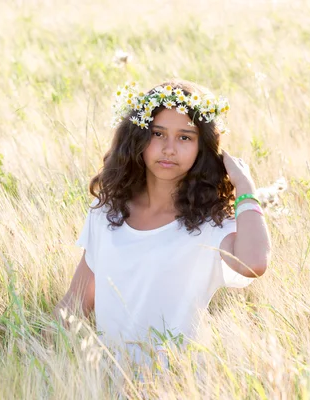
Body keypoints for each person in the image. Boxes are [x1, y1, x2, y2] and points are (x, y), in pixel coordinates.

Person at [54, 79, 271, 365]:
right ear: (139, 138)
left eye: (185, 137)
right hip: (109, 382)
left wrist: (244, 185)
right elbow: (76, 301)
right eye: (158, 134)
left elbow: (254, 263)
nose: (169, 149)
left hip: (182, 384)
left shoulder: (209, 225)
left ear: (201, 147)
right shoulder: (108, 213)